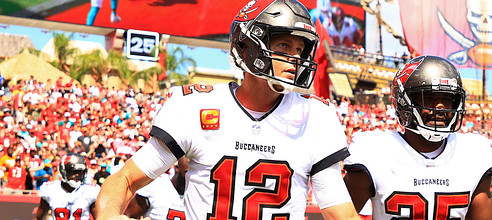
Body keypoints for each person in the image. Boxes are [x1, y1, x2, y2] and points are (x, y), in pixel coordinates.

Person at [95, 0, 360, 219]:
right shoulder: (195, 106)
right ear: (248, 47)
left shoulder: (316, 118)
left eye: (300, 50)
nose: (296, 59)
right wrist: (109, 215)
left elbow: (340, 211)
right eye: (284, 45)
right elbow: (125, 180)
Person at [343, 55, 492, 219]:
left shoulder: (473, 153)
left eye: (447, 99)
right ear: (404, 102)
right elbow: (340, 216)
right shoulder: (375, 150)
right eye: (429, 97)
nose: (440, 107)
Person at [34, 154, 101, 220]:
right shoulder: (50, 189)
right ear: (63, 171)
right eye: (73, 172)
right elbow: (38, 217)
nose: (77, 175)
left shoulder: (89, 191)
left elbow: (99, 218)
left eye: (80, 172)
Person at [123, 157, 189, 219]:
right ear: (177, 168)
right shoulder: (156, 186)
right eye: (187, 173)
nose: (191, 178)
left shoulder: (197, 193)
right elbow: (127, 216)